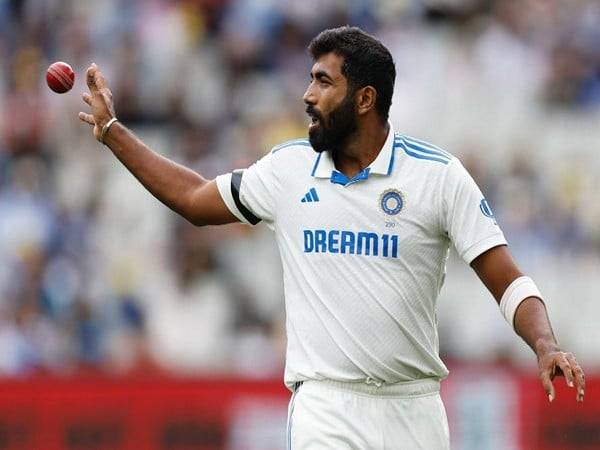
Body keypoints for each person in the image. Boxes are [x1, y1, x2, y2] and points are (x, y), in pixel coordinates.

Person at [79, 26, 585, 449]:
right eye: (309, 79)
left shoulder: (438, 176)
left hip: (414, 408)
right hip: (326, 405)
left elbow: (507, 280)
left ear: (365, 99)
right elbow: (193, 199)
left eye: (323, 81)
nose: (307, 95)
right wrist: (114, 131)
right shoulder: (288, 170)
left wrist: (544, 344)